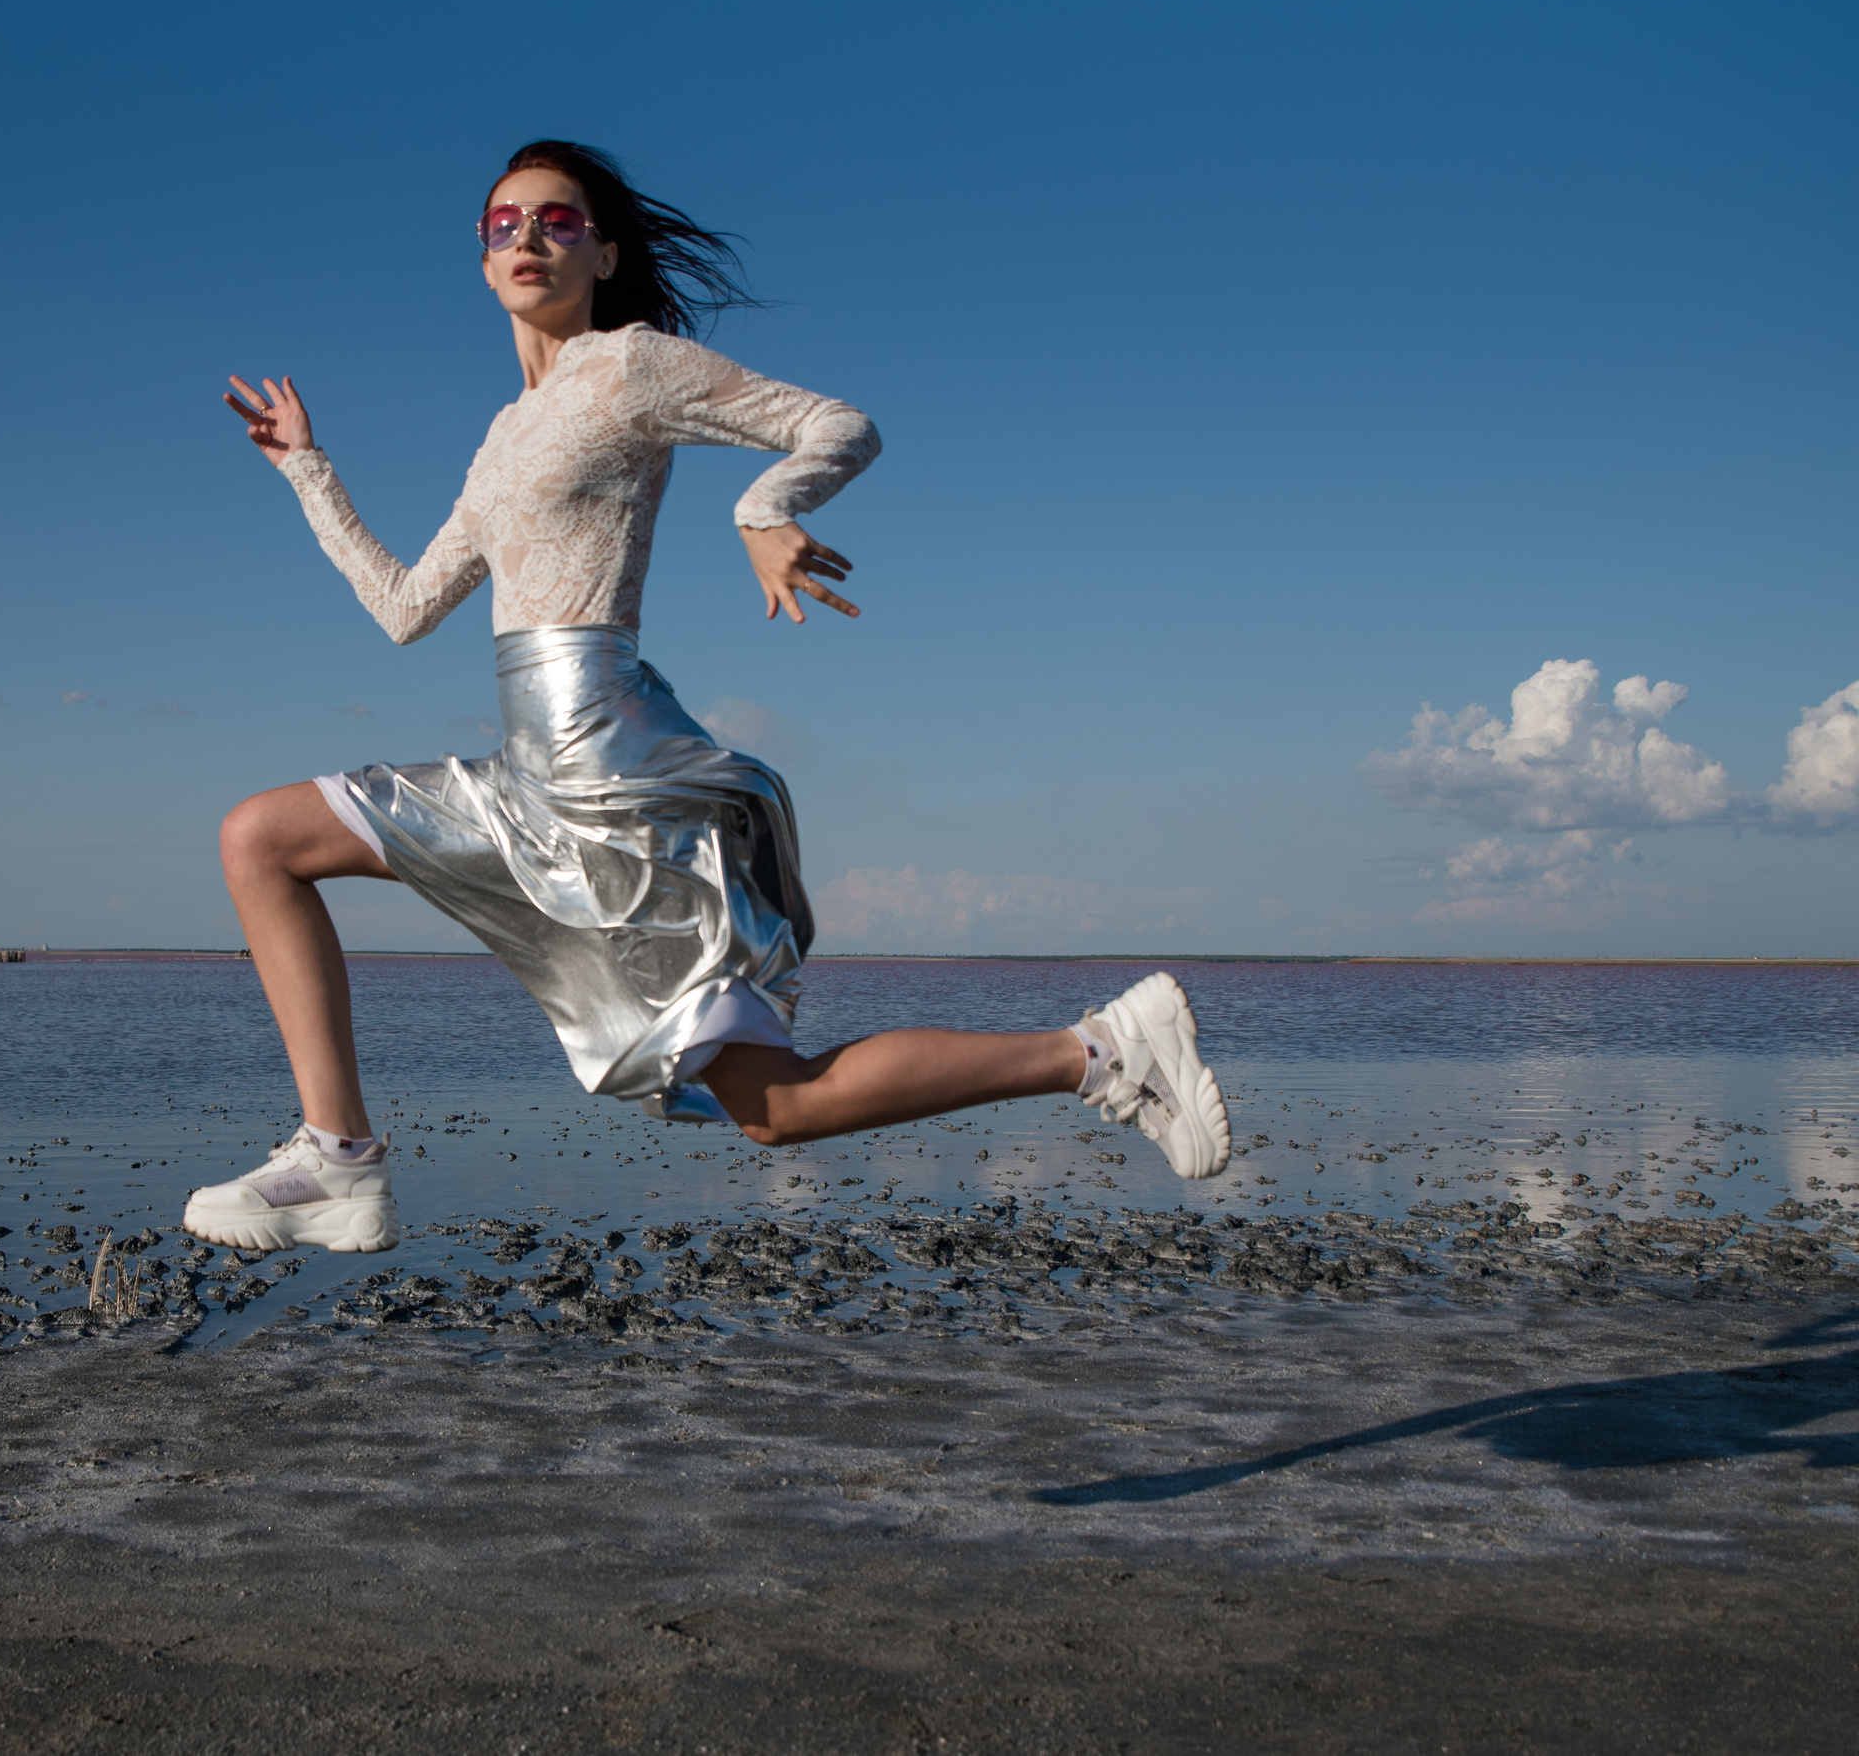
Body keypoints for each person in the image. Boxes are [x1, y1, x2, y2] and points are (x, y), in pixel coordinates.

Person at [188, 140, 1228, 1253]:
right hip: (523, 769)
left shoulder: (631, 364)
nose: (529, 237)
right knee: (264, 838)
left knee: (773, 1106)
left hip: (602, 761)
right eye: (504, 224)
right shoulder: (501, 434)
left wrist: (764, 510)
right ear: (481, 259)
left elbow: (838, 424)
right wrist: (308, 467)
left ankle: (1100, 1049)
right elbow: (405, 607)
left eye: (558, 220)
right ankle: (339, 1159)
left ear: (604, 250)